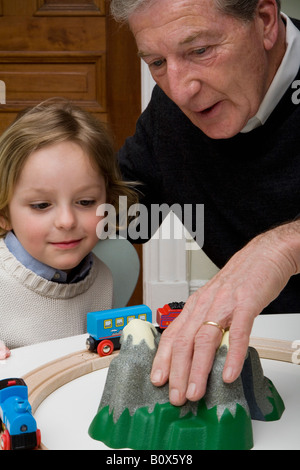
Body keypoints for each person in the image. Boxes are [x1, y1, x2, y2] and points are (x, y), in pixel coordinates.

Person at [110, 0, 300, 406]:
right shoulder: (171, 109)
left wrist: (283, 247)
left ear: (264, 21)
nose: (179, 90)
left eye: (199, 51)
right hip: (271, 364)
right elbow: (120, 212)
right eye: (157, 62)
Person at [0, 99, 137, 359]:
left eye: (85, 202)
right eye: (41, 205)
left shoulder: (103, 279)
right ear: (4, 213)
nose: (66, 221)